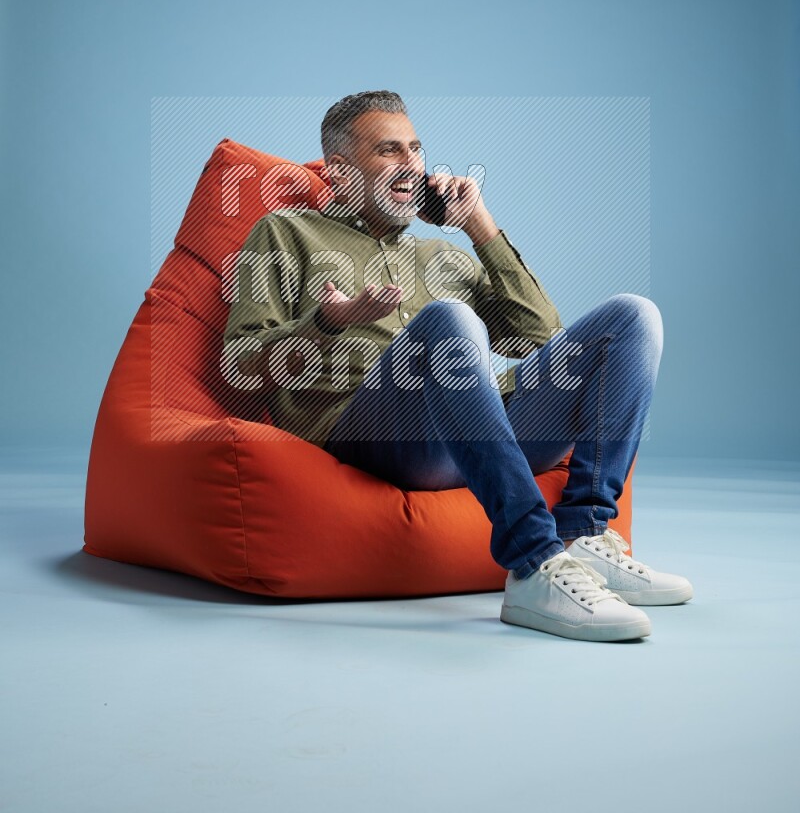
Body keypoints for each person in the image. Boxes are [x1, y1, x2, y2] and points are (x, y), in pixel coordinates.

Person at [222, 90, 693, 642]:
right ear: (341, 171)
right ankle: (533, 564)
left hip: (477, 433)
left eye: (416, 151)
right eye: (389, 151)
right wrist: (328, 321)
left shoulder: (442, 254)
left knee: (632, 318)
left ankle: (584, 535)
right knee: (452, 320)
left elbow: (541, 337)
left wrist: (478, 225)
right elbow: (239, 364)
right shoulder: (286, 233)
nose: (411, 165)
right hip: (375, 435)